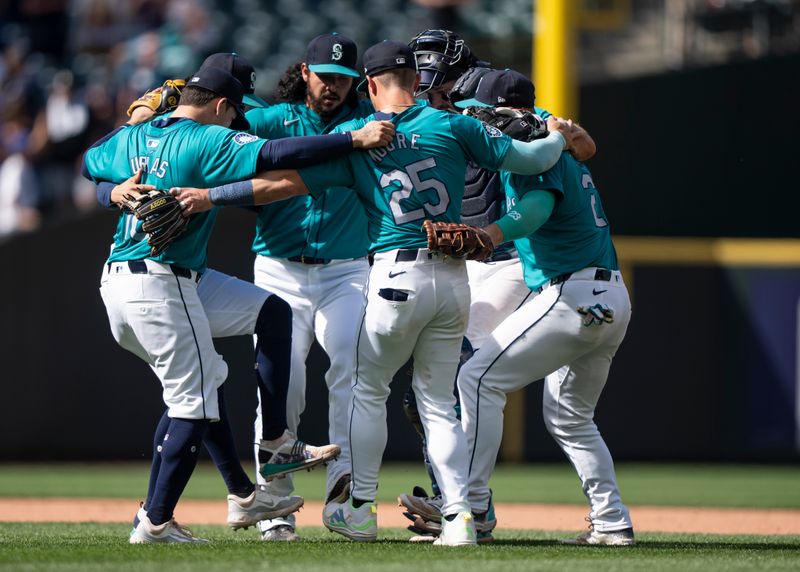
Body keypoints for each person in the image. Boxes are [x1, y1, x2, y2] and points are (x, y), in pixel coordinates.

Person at [174, 40, 575, 546]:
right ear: (415, 78)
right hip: (453, 279)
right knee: (438, 403)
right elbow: (530, 156)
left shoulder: (355, 136)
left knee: (366, 390)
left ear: (367, 84)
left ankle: (359, 509)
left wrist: (210, 196)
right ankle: (460, 516)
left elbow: (280, 187)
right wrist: (559, 137)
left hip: (391, 275)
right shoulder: (454, 125)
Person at [82, 64, 394, 543]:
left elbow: (90, 162)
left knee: (270, 314)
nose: (237, 121)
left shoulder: (135, 135)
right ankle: (155, 522)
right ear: (222, 106)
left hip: (140, 281)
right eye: (236, 112)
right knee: (193, 402)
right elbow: (277, 152)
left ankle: (256, 475)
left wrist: (111, 192)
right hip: (161, 283)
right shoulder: (206, 136)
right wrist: (351, 141)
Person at [400, 33, 597, 543]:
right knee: (432, 380)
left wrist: (563, 135)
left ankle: (468, 503)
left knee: (463, 369)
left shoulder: (495, 93)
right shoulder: (424, 107)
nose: (431, 86)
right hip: (458, 256)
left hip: (503, 254)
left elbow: (577, 140)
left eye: (437, 76)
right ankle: (454, 493)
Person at [452, 71, 635, 546]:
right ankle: (612, 521)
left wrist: (488, 235)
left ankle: (465, 508)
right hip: (610, 295)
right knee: (571, 417)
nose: (474, 121)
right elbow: (576, 143)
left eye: (479, 112)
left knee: (475, 379)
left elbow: (534, 210)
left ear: (500, 113)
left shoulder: (537, 149)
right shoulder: (554, 140)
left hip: (570, 293)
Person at [242, 33, 375, 542]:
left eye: (343, 79)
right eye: (325, 76)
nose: (333, 87)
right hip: (279, 269)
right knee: (282, 385)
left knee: (350, 369)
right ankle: (276, 504)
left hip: (346, 270)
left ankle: (345, 497)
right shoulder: (272, 120)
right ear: (304, 71)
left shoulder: (366, 120)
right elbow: (218, 126)